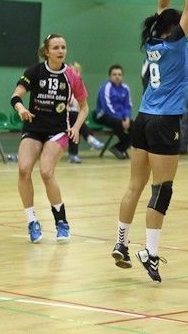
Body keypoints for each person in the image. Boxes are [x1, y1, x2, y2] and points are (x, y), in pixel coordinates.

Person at [111, 0, 188, 283]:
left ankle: (121, 242)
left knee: (135, 185)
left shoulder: (152, 42)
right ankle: (149, 252)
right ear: (175, 28)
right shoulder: (177, 44)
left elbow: (162, 10)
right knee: (162, 188)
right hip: (165, 122)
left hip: (143, 119)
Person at [10, 34, 90, 243]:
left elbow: (84, 107)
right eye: (56, 47)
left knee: (46, 172)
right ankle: (32, 221)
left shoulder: (72, 76)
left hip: (58, 130)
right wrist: (21, 108)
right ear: (46, 51)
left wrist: (76, 127)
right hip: (34, 127)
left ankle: (61, 222)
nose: (61, 51)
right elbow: (15, 96)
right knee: (23, 170)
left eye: (63, 47)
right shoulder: (34, 72)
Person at [67, 62, 104, 163]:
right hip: (61, 116)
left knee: (76, 123)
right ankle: (90, 138)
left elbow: (82, 106)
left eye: (77, 71)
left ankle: (73, 155)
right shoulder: (64, 85)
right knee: (75, 118)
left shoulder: (80, 87)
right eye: (73, 71)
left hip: (72, 118)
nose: (76, 73)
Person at [95, 65, 132, 159]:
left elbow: (127, 106)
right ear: (110, 76)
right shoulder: (106, 87)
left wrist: (127, 118)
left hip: (121, 118)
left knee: (136, 128)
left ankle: (118, 148)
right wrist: (121, 120)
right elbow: (107, 107)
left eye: (119, 74)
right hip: (104, 115)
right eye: (114, 74)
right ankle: (121, 148)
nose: (117, 76)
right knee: (118, 124)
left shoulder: (125, 88)